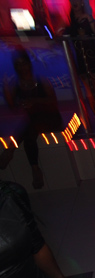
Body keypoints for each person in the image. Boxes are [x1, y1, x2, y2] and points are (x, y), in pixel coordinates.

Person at [0, 47, 63, 189]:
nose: (21, 67)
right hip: (33, 123)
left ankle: (10, 150)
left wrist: (35, 101)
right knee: (30, 131)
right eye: (18, 64)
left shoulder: (41, 80)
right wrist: (6, 91)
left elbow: (53, 102)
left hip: (51, 118)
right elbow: (13, 107)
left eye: (23, 63)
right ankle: (35, 169)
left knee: (30, 126)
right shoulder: (16, 85)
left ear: (29, 64)